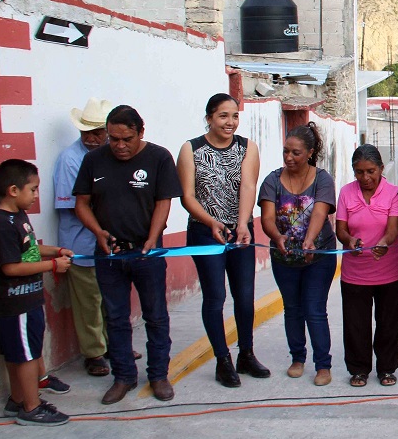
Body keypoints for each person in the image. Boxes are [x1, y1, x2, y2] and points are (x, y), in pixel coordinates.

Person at [74, 105, 183, 404]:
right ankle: (123, 376)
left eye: (127, 139)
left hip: (147, 253)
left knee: (156, 316)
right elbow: (81, 203)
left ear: (140, 133)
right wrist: (98, 232)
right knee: (116, 317)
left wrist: (151, 239)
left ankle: (159, 374)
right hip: (109, 254)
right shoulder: (94, 160)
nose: (120, 146)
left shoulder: (159, 157)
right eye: (114, 139)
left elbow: (164, 202)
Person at [178, 93, 269, 388]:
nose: (230, 122)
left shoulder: (247, 147)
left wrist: (243, 223)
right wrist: (211, 222)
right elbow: (187, 196)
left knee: (244, 295)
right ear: (209, 118)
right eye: (223, 116)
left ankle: (246, 353)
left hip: (240, 229)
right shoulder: (191, 149)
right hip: (205, 231)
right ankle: (222, 359)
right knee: (215, 296)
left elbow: (248, 185)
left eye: (234, 116)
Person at [0, 160, 74, 426]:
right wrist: (53, 266)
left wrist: (57, 251)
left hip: (29, 300)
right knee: (23, 356)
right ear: (13, 190)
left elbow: (30, 248)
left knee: (26, 352)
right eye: (33, 190)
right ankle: (31, 407)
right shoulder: (1, 224)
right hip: (16, 304)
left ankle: (17, 400)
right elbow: (11, 267)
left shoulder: (19, 217)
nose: (36, 195)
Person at [259, 122, 337, 386]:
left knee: (314, 309)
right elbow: (267, 218)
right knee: (292, 309)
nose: (289, 158)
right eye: (285, 152)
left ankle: (323, 365)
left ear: (310, 153)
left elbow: (319, 212)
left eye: (296, 153)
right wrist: (277, 237)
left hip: (319, 256)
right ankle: (297, 358)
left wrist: (310, 240)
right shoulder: (272, 180)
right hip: (284, 258)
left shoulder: (323, 179)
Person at [336, 144, 398, 387]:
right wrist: (349, 240)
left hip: (391, 272)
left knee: (388, 324)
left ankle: (387, 369)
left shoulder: (395, 193)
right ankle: (358, 369)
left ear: (381, 169)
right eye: (359, 172)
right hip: (354, 274)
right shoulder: (346, 193)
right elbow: (341, 229)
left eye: (370, 171)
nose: (365, 177)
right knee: (356, 325)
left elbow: (394, 227)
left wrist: (385, 243)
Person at [54, 97, 113, 377]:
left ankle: (111, 344)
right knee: (89, 301)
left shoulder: (111, 155)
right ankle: (94, 353)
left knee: (108, 297)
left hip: (109, 241)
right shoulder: (70, 159)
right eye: (85, 132)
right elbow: (75, 207)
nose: (91, 138)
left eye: (96, 132)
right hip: (81, 242)